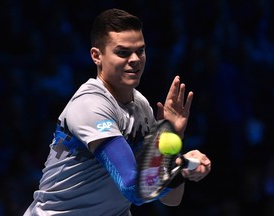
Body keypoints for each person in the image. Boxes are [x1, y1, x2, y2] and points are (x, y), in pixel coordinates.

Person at [24, 8, 211, 216]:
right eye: (123, 52)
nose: (135, 59)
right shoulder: (90, 106)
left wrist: (172, 137)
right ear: (97, 56)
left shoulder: (141, 106)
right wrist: (184, 165)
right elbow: (132, 188)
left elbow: (170, 199)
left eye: (140, 50)